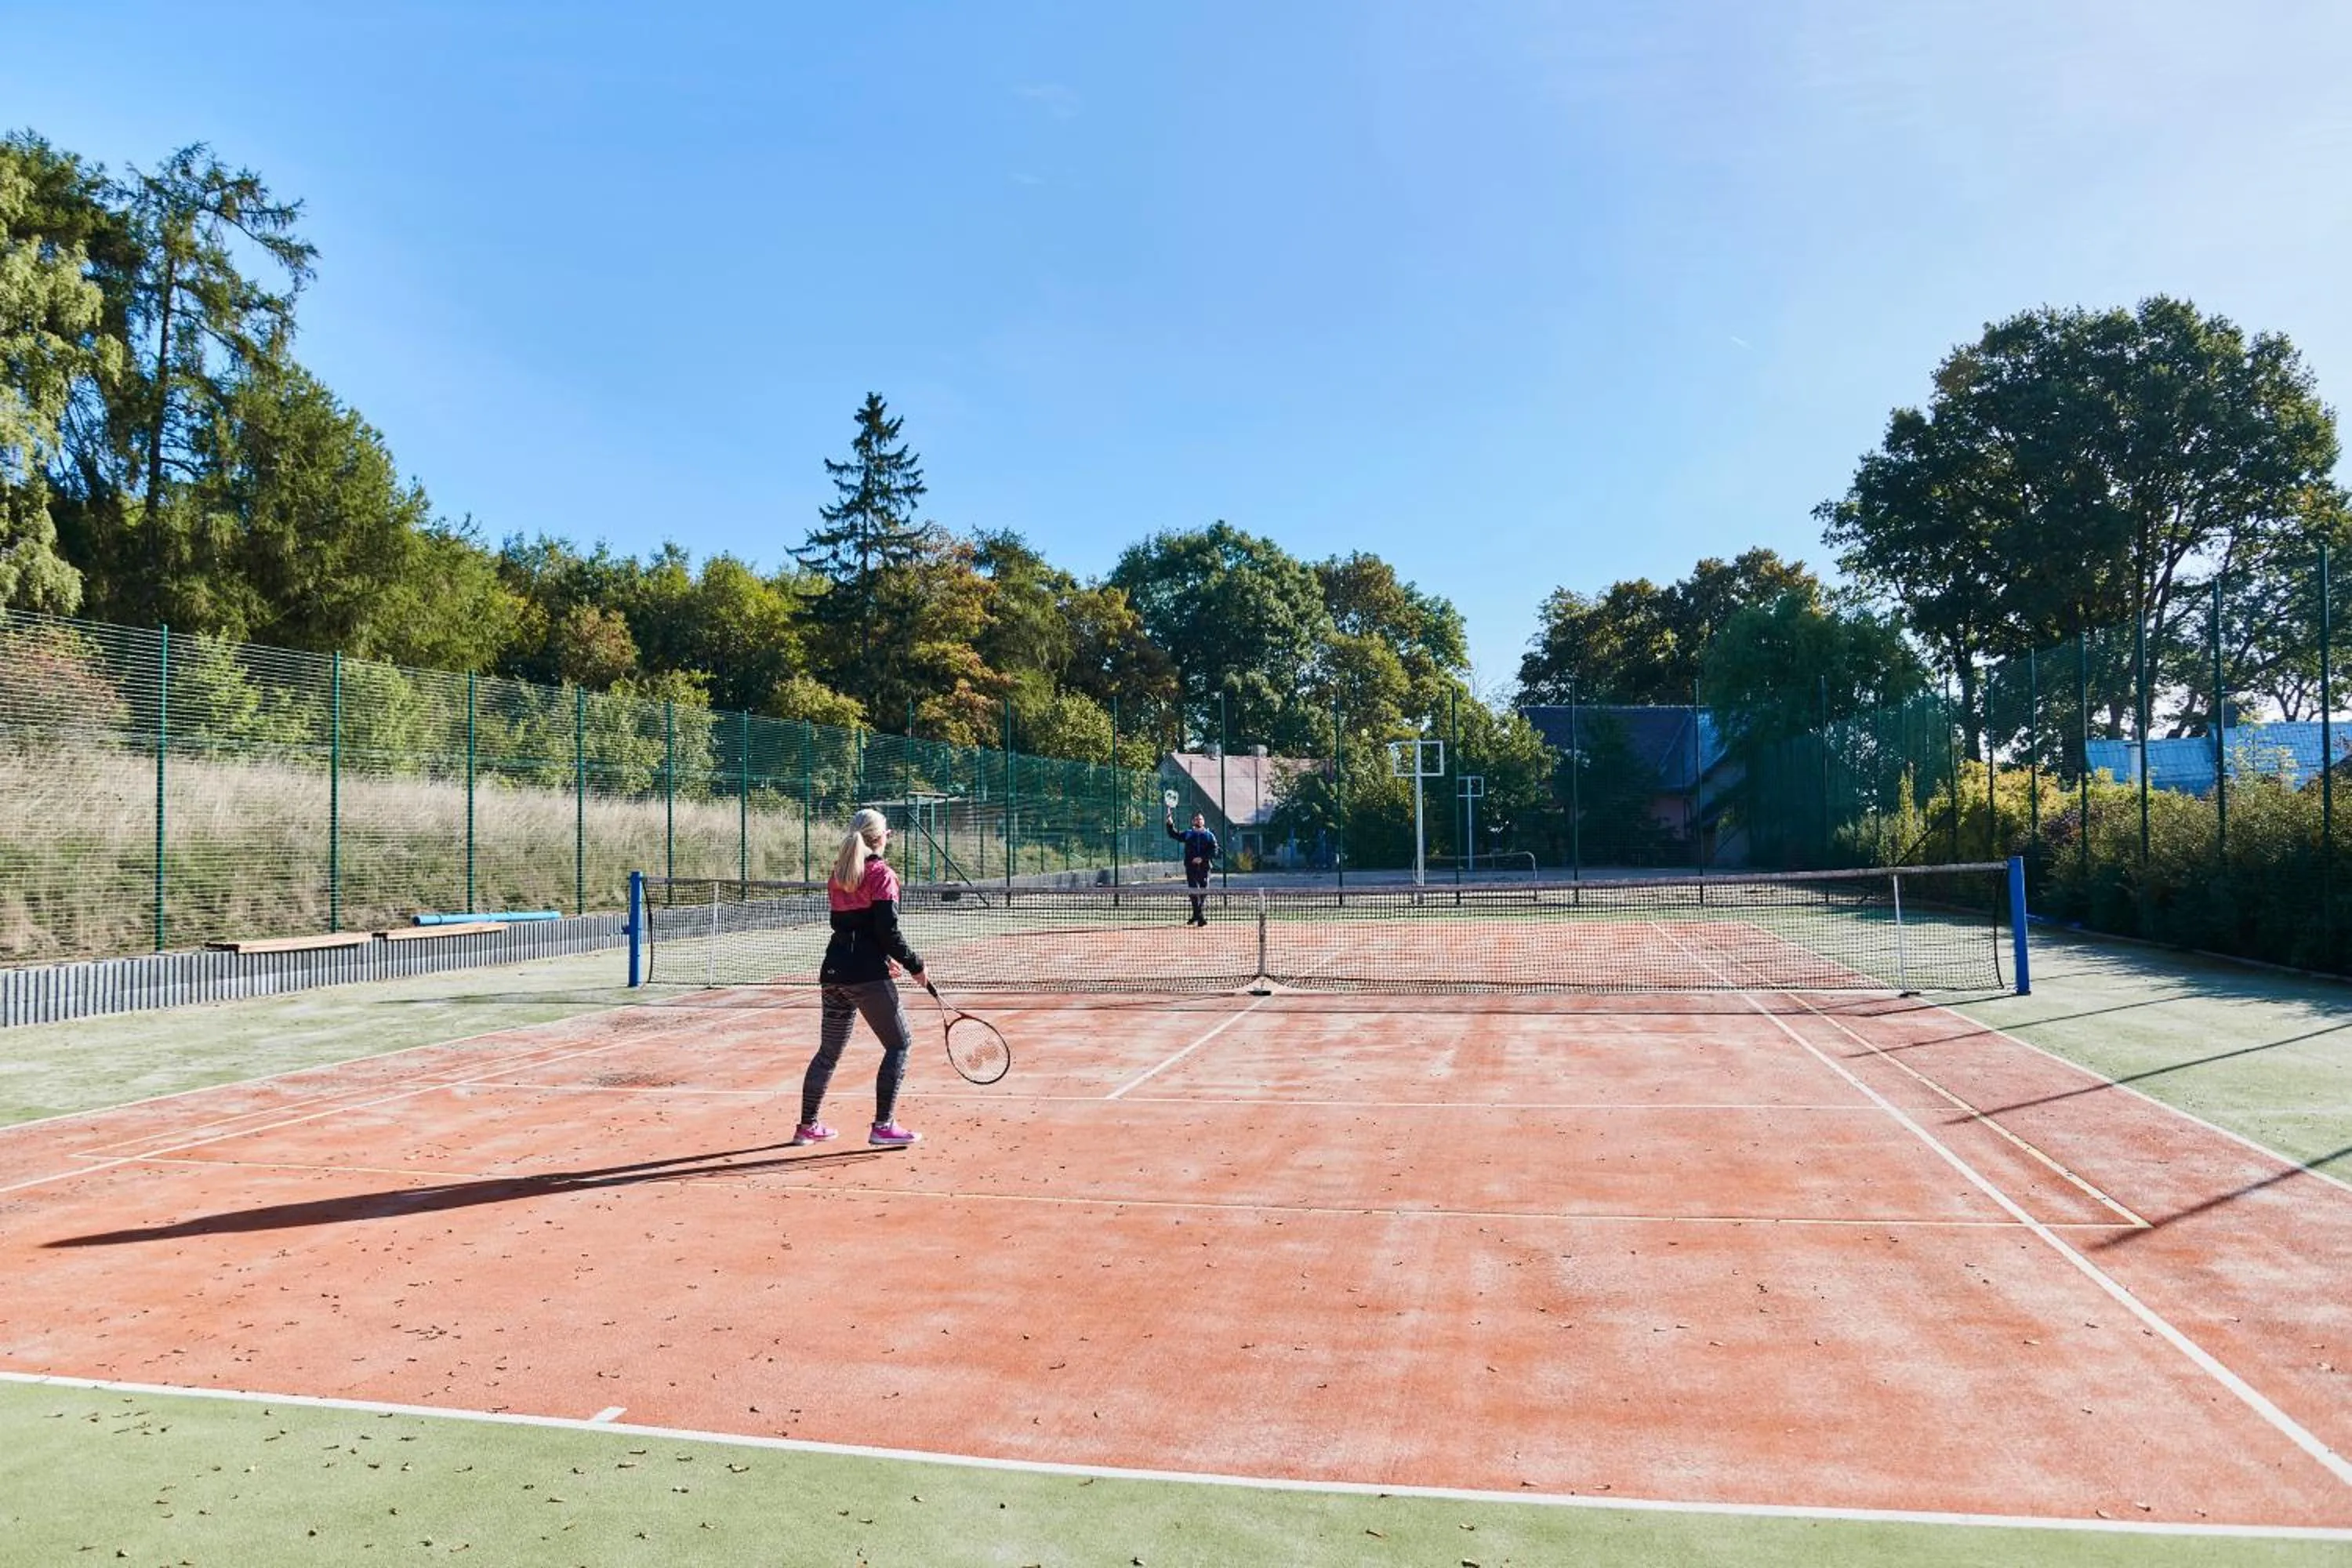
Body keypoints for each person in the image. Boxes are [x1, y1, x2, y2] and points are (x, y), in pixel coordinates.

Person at [795, 808, 924, 1149]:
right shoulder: (881, 874)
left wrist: (884, 959)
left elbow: (854, 929)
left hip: (834, 974)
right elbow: (887, 931)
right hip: (866, 977)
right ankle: (883, 1126)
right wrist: (915, 965)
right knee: (899, 1044)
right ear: (881, 838)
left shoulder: (838, 875)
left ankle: (807, 1126)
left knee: (828, 1052)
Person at [1166, 808, 1219, 926]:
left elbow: (1215, 851)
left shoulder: (1210, 835)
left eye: (1200, 819)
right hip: (1191, 867)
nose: (1199, 821)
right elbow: (1174, 834)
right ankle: (1199, 917)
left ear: (1203, 822)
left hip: (1205, 867)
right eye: (1196, 819)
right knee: (1193, 891)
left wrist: (1202, 858)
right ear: (1193, 822)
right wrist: (1170, 822)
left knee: (1204, 891)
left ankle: (1197, 915)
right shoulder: (1188, 834)